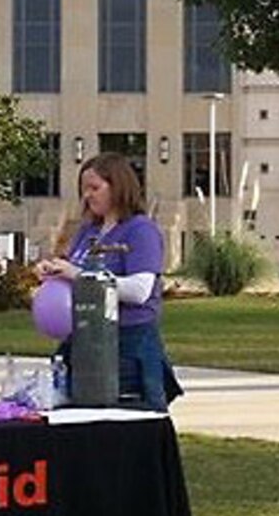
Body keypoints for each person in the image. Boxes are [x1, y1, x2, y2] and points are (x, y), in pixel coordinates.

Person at [34, 152, 182, 410]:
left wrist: (78, 275)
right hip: (82, 342)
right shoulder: (87, 231)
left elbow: (140, 291)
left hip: (127, 346)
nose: (87, 195)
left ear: (118, 186)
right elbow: (72, 274)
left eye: (95, 188)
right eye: (83, 189)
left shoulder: (140, 230)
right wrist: (54, 271)